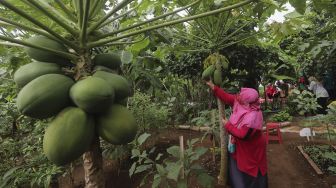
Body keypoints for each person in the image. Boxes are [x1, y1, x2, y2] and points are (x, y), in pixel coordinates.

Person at [206, 81, 268, 188]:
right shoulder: (241, 102)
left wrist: (228, 125)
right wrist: (214, 87)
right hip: (239, 147)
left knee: (250, 172)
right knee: (238, 166)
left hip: (251, 149)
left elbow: (243, 135)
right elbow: (226, 97)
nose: (238, 96)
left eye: (241, 96)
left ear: (247, 101)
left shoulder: (254, 116)